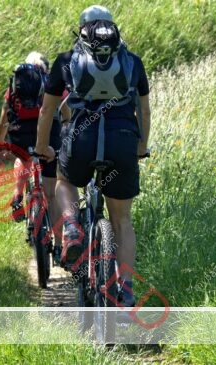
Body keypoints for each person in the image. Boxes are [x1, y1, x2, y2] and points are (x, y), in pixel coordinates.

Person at [34, 5, 151, 306]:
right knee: (122, 220)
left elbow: (47, 110)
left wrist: (42, 146)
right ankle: (124, 289)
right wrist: (141, 146)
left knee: (64, 180)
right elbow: (144, 110)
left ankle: (72, 227)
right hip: (122, 141)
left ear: (82, 29)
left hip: (80, 138)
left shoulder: (65, 61)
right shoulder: (132, 62)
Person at [0, 51, 71, 264]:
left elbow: (3, 121)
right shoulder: (52, 82)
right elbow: (66, 109)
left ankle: (18, 195)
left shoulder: (14, 86)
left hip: (20, 133)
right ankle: (58, 246)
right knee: (53, 195)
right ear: (45, 68)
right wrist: (66, 130)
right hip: (48, 136)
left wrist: (0, 143)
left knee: (22, 156)